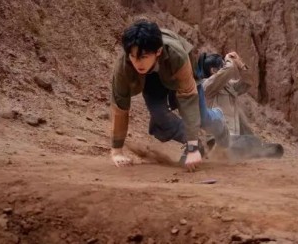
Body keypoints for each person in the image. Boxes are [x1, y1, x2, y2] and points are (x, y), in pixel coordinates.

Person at [109, 19, 230, 170]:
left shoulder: (177, 55)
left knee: (202, 118)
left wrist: (191, 150)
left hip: (179, 73)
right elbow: (120, 106)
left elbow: (188, 99)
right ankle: (195, 142)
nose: (137, 62)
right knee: (160, 118)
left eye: (144, 56)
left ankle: (218, 119)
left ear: (158, 51)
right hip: (151, 81)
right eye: (133, 56)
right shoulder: (124, 65)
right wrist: (117, 151)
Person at [200, 52, 284, 160]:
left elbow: (248, 82)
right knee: (253, 142)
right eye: (222, 66)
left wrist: (241, 65)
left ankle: (243, 153)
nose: (224, 67)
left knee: (271, 146)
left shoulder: (229, 86)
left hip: (233, 138)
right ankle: (221, 154)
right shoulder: (206, 86)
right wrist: (229, 60)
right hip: (217, 140)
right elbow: (229, 70)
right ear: (214, 71)